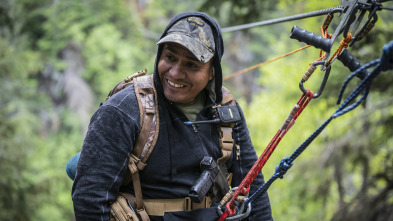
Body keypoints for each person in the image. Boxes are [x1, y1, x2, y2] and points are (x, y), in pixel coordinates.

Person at [71, 11, 273, 221]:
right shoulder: (125, 110)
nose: (175, 73)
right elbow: (90, 199)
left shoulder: (226, 110)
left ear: (212, 71)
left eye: (191, 64)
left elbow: (252, 187)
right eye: (169, 57)